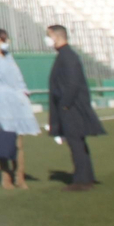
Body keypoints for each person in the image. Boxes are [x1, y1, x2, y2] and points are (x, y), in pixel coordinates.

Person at [46, 24, 104, 191]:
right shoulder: (65, 55)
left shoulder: (68, 56)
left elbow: (72, 83)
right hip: (70, 106)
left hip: (72, 108)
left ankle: (82, 181)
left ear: (57, 36)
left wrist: (64, 105)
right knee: (78, 143)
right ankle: (86, 177)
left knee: (75, 143)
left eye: (49, 36)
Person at [0, 27, 40, 190]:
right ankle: (5, 176)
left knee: (18, 142)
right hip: (2, 102)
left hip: (16, 102)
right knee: (4, 140)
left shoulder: (8, 56)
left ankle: (19, 176)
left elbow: (18, 77)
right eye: (4, 39)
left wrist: (23, 91)